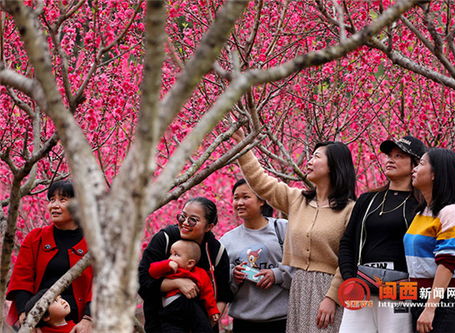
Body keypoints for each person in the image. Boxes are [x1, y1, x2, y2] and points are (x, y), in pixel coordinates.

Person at [232, 130, 356, 333]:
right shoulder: (297, 200)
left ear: (334, 166)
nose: (309, 161)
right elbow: (260, 181)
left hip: (328, 289)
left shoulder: (350, 209)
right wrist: (242, 144)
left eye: (316, 157)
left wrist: (332, 297)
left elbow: (349, 257)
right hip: (299, 287)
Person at [338, 136, 426, 333]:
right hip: (362, 288)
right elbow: (347, 243)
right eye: (389, 155)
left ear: (415, 164)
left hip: (400, 291)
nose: (390, 160)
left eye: (399, 155)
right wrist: (350, 280)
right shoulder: (367, 199)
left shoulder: (421, 205)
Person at [6, 180, 93, 332]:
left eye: (63, 200)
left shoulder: (94, 242)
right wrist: (26, 317)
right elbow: (22, 279)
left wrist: (89, 319)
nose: (54, 205)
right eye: (52, 200)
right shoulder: (35, 238)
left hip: (82, 324)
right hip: (41, 323)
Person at [138, 197, 232, 333]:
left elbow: (223, 294)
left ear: (209, 227)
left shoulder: (216, 251)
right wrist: (177, 283)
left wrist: (211, 320)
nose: (185, 223)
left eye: (193, 220)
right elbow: (142, 281)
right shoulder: (165, 239)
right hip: (162, 325)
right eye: (182, 217)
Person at [404, 148, 455, 333]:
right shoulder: (421, 213)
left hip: (445, 303)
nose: (414, 169)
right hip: (420, 298)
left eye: (421, 164)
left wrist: (430, 307)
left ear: (435, 174)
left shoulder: (450, 212)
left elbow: (448, 262)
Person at [220, 179, 293, 333]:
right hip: (243, 322)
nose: (239, 202)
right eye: (236, 198)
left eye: (245, 197)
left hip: (281, 320)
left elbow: (301, 266)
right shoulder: (227, 240)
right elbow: (221, 284)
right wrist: (234, 275)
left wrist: (277, 275)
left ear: (261, 200)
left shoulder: (283, 228)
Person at [148, 239, 220, 332]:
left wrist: (212, 310)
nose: (171, 257)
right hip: (172, 306)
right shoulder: (169, 269)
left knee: (203, 325)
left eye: (176, 255)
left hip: (192, 306)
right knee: (171, 328)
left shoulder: (201, 273)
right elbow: (152, 270)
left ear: (190, 263)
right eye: (171, 253)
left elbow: (208, 293)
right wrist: (166, 265)